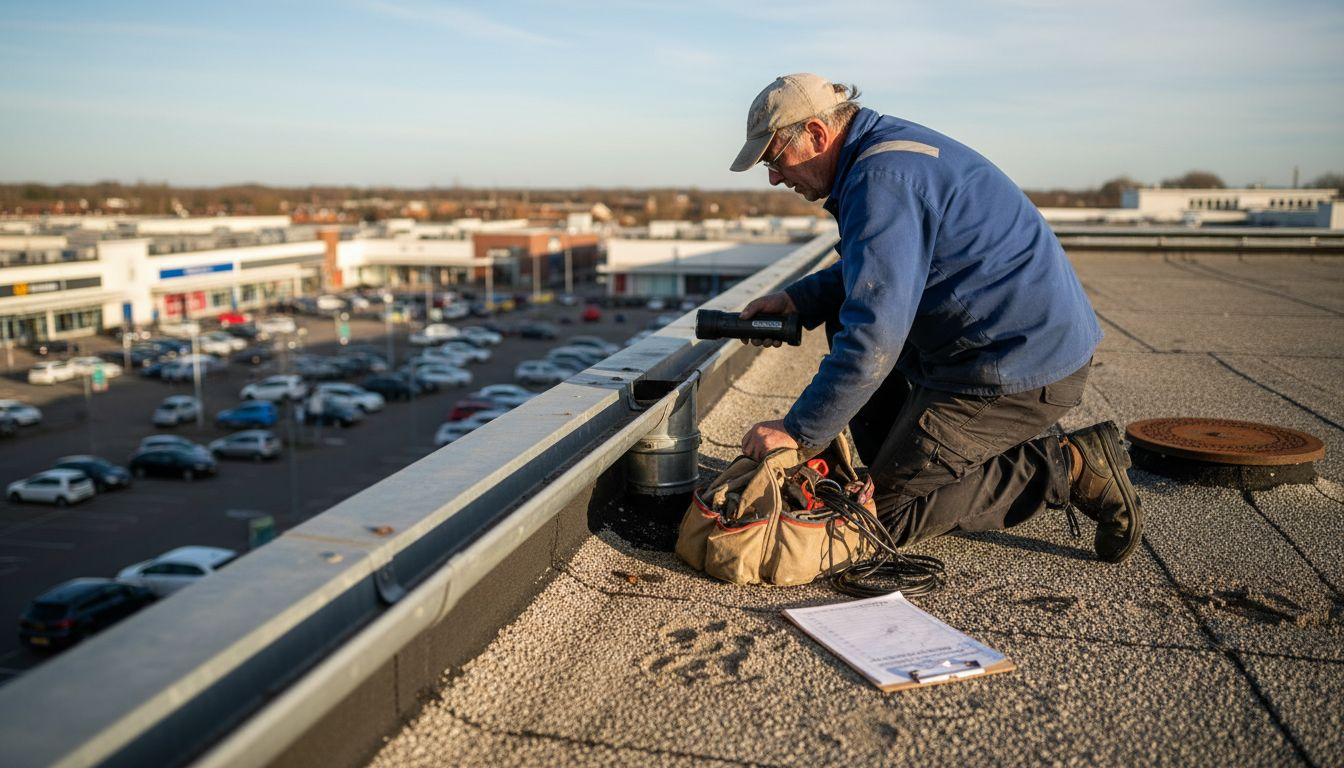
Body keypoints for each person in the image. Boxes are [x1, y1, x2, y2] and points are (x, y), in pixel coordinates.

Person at [728, 73, 1143, 563]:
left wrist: (797, 431)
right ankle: (904, 467)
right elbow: (883, 271)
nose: (775, 177)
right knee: (842, 320)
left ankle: (1069, 466)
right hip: (992, 346)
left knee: (877, 525)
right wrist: (799, 300)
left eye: (775, 158)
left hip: (1013, 370)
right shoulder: (882, 155)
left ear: (818, 134)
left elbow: (873, 338)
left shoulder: (879, 182)